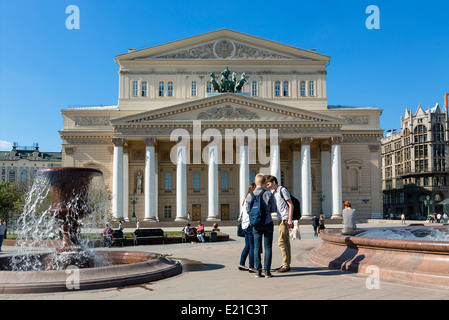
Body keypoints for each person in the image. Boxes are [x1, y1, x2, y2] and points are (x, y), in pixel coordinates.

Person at [245, 174, 277, 278]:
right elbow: (273, 209)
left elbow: (247, 210)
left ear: (255, 183)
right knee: (268, 247)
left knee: (256, 247)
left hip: (255, 224)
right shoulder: (268, 194)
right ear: (264, 183)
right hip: (267, 222)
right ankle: (267, 271)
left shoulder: (250, 195)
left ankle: (258, 271)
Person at [265, 175, 293, 273]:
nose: (267, 186)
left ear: (273, 182)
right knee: (286, 242)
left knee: (281, 242)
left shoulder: (282, 190)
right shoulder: (275, 192)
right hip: (281, 219)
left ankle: (286, 265)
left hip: (285, 219)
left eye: (268, 184)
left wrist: (290, 220)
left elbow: (291, 204)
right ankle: (287, 264)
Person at [239, 183, 256, 273]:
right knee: (252, 246)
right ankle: (251, 267)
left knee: (247, 246)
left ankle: (241, 264)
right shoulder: (251, 199)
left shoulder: (245, 200)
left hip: (244, 225)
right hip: (249, 225)